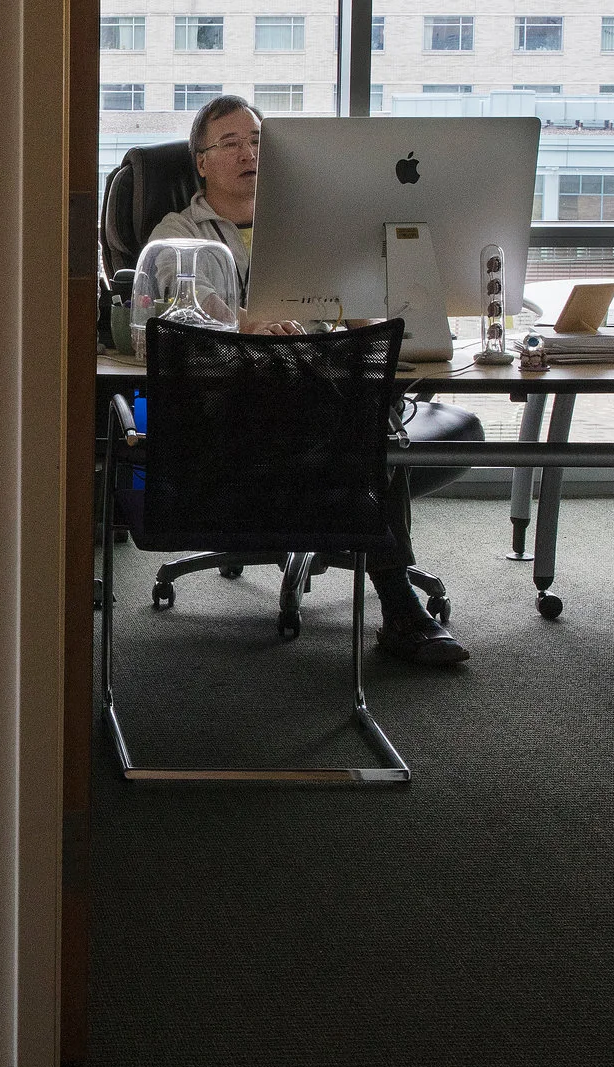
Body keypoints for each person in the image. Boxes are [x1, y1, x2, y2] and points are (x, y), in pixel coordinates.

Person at [150, 94, 469, 664]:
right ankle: (400, 604)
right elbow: (188, 299)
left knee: (363, 417)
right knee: (369, 431)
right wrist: (247, 324)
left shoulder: (311, 223)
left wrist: (392, 331)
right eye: (231, 143)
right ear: (201, 161)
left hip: (325, 386)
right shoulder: (179, 232)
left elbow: (357, 306)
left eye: (257, 142)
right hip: (241, 400)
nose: (249, 154)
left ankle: (397, 602)